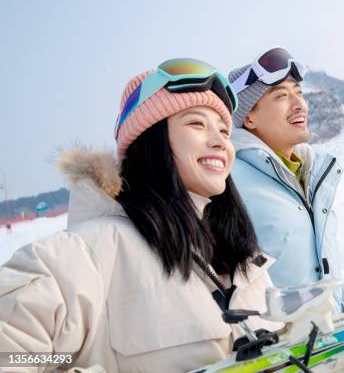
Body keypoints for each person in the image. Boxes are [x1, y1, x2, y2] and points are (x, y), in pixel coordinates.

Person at [0, 59, 281, 372]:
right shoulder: (88, 252)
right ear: (151, 139)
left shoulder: (246, 261)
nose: (220, 142)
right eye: (197, 124)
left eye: (224, 130)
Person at [228, 47, 344, 315]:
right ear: (249, 117)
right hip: (280, 352)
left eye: (299, 93)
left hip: (326, 350)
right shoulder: (227, 181)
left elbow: (325, 287)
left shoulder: (310, 179)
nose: (299, 104)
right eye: (282, 95)